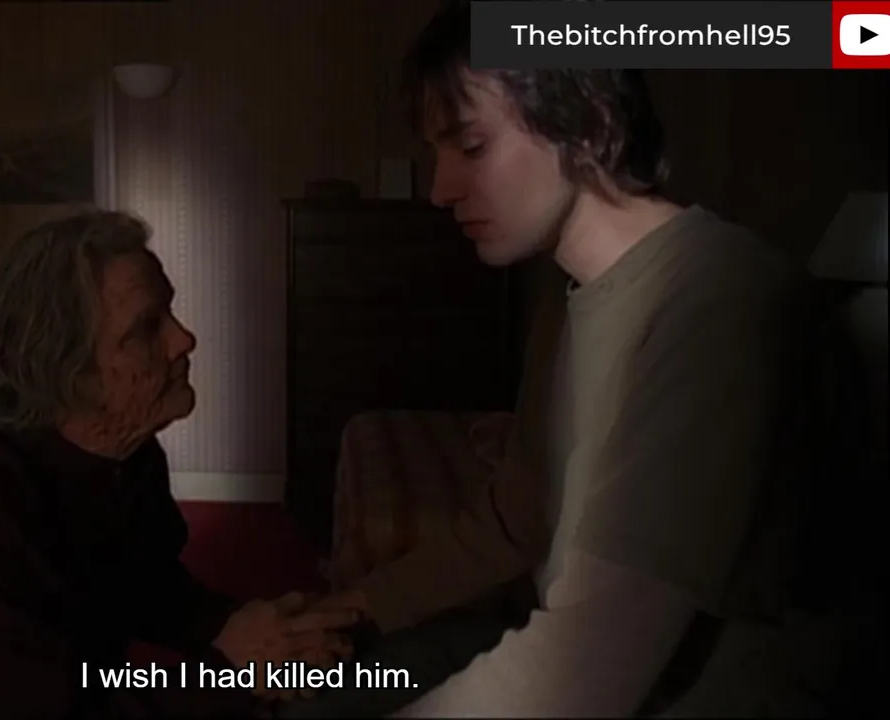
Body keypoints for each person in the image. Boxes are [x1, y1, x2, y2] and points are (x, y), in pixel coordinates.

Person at [282, 1, 841, 717]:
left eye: (471, 146)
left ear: (592, 126)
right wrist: (350, 609)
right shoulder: (569, 298)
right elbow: (515, 521)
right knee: (312, 689)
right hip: (580, 658)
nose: (440, 189)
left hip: (687, 695)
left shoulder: (718, 298)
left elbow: (588, 667)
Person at [0, 211, 361, 719]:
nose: (184, 339)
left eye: (169, 312)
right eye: (146, 329)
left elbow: (145, 587)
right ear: (65, 371)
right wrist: (230, 673)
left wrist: (250, 629)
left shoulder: (126, 455)